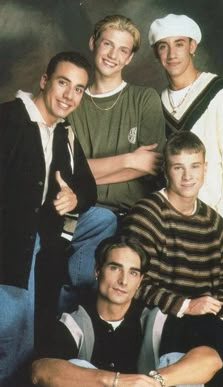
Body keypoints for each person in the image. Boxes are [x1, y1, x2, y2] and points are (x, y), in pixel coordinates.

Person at [0, 51, 100, 387]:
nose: (69, 96)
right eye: (62, 83)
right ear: (44, 81)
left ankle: (68, 295)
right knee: (15, 335)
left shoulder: (64, 132)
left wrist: (75, 197)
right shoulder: (8, 120)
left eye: (79, 89)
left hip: (43, 238)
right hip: (11, 244)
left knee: (102, 220)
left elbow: (88, 187)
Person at [122, 131, 223, 386]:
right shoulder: (147, 215)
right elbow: (132, 283)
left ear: (205, 169)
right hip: (159, 315)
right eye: (178, 167)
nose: (187, 177)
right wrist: (186, 305)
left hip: (207, 320)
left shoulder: (215, 223)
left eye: (195, 167)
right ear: (166, 170)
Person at [31, 235, 222, 387]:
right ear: (97, 270)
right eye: (115, 268)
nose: (124, 281)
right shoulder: (75, 321)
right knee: (77, 367)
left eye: (133, 273)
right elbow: (40, 371)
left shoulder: (156, 319)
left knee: (178, 365)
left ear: (139, 281)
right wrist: (115, 381)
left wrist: (155, 382)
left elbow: (211, 359)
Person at [65, 14, 166, 292]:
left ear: (130, 58)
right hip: (83, 215)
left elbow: (152, 166)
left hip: (134, 219)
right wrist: (129, 160)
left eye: (123, 50)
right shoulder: (72, 99)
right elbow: (65, 171)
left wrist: (86, 172)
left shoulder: (144, 99)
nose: (113, 55)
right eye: (107, 44)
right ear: (92, 43)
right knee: (79, 283)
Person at [148, 13, 223, 254]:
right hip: (172, 228)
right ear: (157, 54)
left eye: (179, 44)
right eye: (163, 46)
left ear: (192, 46)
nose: (172, 54)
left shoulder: (220, 93)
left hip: (217, 224)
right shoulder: (157, 102)